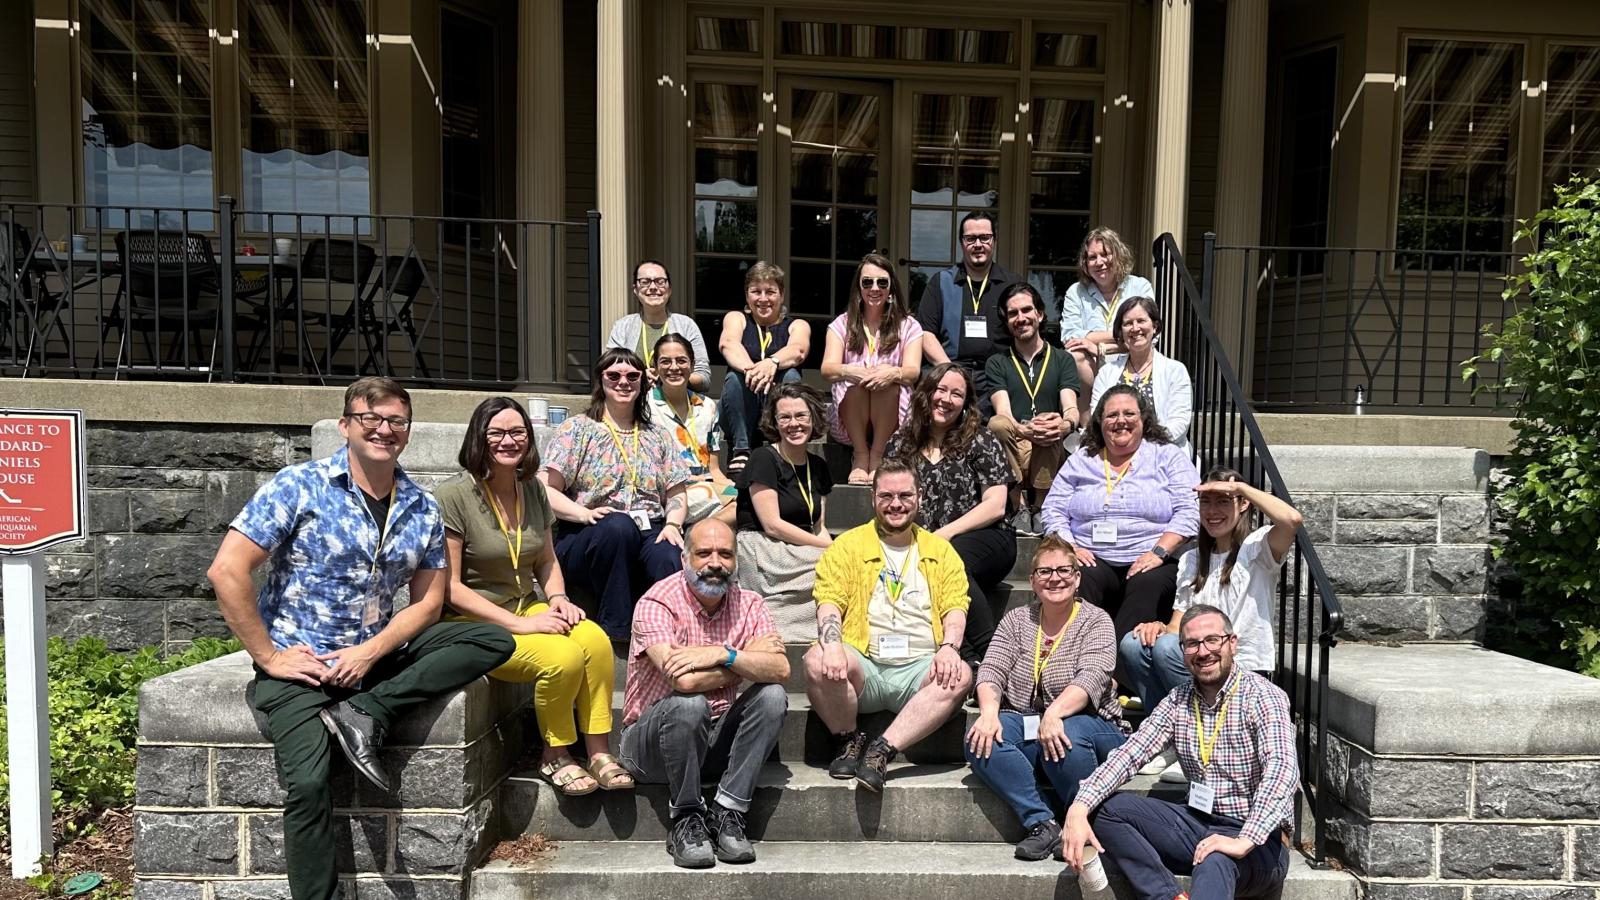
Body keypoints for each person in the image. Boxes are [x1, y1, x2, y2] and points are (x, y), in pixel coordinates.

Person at [206, 377, 515, 900]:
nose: (384, 429)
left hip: (373, 660)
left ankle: (366, 712)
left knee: (491, 641)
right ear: (346, 425)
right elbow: (227, 571)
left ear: (408, 432)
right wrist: (269, 656)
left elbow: (428, 601)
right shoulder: (297, 485)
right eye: (370, 418)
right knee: (307, 784)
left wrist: (371, 652)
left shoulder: (419, 505)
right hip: (302, 668)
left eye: (396, 421)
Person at [434, 397, 631, 797]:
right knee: (562, 657)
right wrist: (522, 624)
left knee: (593, 640)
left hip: (529, 605)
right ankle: (555, 753)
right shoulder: (452, 496)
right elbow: (449, 587)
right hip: (474, 621)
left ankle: (597, 751)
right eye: (498, 433)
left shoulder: (532, 491)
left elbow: (546, 560)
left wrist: (557, 597)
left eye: (518, 432)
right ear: (479, 437)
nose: (509, 440)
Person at [1061, 605, 1298, 900]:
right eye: (1192, 643)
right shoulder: (1178, 700)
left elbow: (1282, 770)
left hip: (1259, 841)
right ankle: (1168, 897)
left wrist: (1244, 839)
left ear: (1232, 643)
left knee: (1217, 860)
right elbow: (1130, 754)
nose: (1203, 652)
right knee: (1106, 810)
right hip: (1197, 823)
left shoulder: (1264, 696)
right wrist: (1078, 806)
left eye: (1213, 640)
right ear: (1182, 650)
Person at [619, 519, 790, 869]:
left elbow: (781, 670)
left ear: (737, 560)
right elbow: (682, 682)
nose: (716, 563)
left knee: (772, 696)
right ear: (684, 558)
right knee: (688, 704)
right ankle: (685, 816)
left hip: (714, 739)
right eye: (704, 553)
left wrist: (721, 654)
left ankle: (728, 810)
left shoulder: (751, 603)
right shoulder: (656, 602)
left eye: (725, 554)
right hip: (651, 746)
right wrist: (745, 657)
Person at [1119, 468, 1302, 783]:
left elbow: (1292, 520)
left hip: (1241, 664)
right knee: (1134, 644)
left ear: (1242, 504)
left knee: (1165, 648)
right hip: (1201, 661)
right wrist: (1156, 627)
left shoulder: (1258, 547)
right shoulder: (1191, 559)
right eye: (1206, 502)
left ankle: (1192, 741)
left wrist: (1242, 487)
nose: (1213, 511)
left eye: (1223, 501)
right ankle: (1175, 738)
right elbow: (1178, 625)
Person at [804, 459, 971, 792]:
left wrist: (950, 647)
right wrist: (833, 645)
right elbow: (829, 600)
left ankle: (881, 749)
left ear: (919, 498)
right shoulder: (847, 546)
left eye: (905, 495)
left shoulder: (941, 550)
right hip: (865, 664)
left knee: (961, 675)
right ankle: (848, 740)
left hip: (919, 668)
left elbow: (955, 605)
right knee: (815, 659)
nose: (896, 504)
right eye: (886, 496)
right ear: (873, 499)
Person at [965, 535, 1127, 861]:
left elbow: (1092, 676)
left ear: (1077, 577)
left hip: (1095, 725)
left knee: (1069, 732)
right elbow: (992, 670)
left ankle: (1080, 817)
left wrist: (1054, 713)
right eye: (1045, 572)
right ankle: (1044, 821)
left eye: (1064, 570)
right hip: (1032, 721)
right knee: (979, 738)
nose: (1055, 578)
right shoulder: (1017, 620)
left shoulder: (1096, 621)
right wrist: (990, 713)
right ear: (1033, 581)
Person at [540, 348, 691, 641]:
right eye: (614, 375)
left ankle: (670, 635)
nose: (624, 382)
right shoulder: (578, 429)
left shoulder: (657, 435)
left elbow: (677, 491)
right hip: (589, 531)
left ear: (642, 382)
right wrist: (583, 513)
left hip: (648, 527)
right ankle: (617, 631)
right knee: (618, 527)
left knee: (668, 552)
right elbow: (545, 489)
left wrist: (673, 524)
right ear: (601, 380)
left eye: (632, 376)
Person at [1039, 385, 1199, 646]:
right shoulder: (1082, 459)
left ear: (1143, 419)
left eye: (1129, 414)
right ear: (1100, 421)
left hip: (1150, 555)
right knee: (1077, 576)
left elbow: (1190, 510)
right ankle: (1070, 659)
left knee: (1147, 583)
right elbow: (1053, 508)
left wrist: (1158, 552)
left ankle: (1113, 673)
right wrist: (1071, 547)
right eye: (1112, 415)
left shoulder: (1167, 456)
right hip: (1091, 554)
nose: (1120, 421)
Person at [883, 362, 1010, 668]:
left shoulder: (980, 439)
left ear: (966, 404)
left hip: (986, 537)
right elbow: (887, 497)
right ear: (926, 393)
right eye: (941, 390)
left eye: (957, 394)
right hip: (924, 547)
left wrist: (946, 534)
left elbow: (996, 504)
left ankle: (992, 656)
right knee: (935, 563)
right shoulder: (901, 444)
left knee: (948, 558)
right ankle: (968, 660)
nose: (946, 399)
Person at [734, 383, 834, 642]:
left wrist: (834, 551)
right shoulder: (763, 457)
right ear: (775, 423)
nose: (794, 424)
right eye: (785, 417)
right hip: (765, 548)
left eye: (801, 415)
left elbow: (819, 525)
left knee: (846, 565)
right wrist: (825, 548)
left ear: (813, 417)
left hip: (802, 546)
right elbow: (773, 525)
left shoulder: (819, 466)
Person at [987, 283, 1083, 535]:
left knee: (1050, 421)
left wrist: (1063, 425)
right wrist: (1026, 431)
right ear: (1007, 321)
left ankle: (1041, 507)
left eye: (1026, 310)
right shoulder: (998, 362)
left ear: (1039, 314)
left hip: (1049, 452)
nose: (1020, 318)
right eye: (1012, 313)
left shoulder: (1063, 359)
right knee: (996, 424)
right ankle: (1018, 506)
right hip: (1014, 450)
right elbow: (1003, 413)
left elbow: (1071, 409)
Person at [822, 252, 925, 484]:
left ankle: (877, 455)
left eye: (882, 282)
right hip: (849, 422)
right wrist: (852, 371)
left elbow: (912, 371)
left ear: (891, 289)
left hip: (895, 418)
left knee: (886, 386)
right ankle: (860, 455)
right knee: (856, 387)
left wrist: (892, 373)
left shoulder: (908, 326)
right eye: (867, 282)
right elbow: (827, 368)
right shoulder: (842, 323)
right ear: (858, 288)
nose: (875, 288)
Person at [916, 211, 1024, 414]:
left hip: (997, 375)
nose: (978, 244)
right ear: (961, 242)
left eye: (985, 238)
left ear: (994, 240)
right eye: (970, 238)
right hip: (949, 368)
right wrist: (950, 370)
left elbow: (1025, 330)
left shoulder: (1013, 285)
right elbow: (925, 333)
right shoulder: (941, 283)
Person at [717, 261, 811, 474]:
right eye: (755, 291)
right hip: (741, 409)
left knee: (792, 376)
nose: (763, 298)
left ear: (782, 295)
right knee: (734, 378)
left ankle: (784, 445)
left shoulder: (796, 325)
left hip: (776, 406)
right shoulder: (737, 318)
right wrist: (752, 371)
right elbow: (728, 344)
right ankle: (741, 448)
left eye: (770, 291)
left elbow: (798, 350)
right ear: (746, 295)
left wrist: (772, 363)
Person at [646, 332, 737, 526]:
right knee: (741, 508)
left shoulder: (708, 407)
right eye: (665, 362)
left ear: (692, 365)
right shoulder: (645, 407)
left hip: (706, 486)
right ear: (655, 367)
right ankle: (699, 532)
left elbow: (713, 468)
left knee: (747, 498)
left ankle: (696, 532)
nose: (674, 368)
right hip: (668, 491)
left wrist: (731, 487)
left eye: (681, 361)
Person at [1062, 228, 1154, 417]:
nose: (1099, 262)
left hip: (1130, 359)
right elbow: (1070, 336)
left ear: (1118, 255)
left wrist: (1100, 346)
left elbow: (1150, 333)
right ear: (1085, 263)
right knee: (1074, 355)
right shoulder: (1076, 292)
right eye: (1092, 257)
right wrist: (1125, 333)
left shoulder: (1139, 286)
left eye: (1105, 254)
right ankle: (1088, 428)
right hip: (1091, 365)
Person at [1092, 296, 1193, 455]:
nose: (1135, 328)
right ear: (1120, 331)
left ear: (1155, 326)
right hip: (1116, 454)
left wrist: (1144, 450)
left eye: (1141, 321)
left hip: (1163, 453)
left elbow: (1179, 423)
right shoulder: (1106, 373)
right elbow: (1097, 417)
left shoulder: (1175, 370)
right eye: (1127, 323)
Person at [607, 260, 711, 390]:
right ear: (635, 288)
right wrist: (638, 377)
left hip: (676, 405)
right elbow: (609, 371)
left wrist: (671, 377)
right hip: (632, 405)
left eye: (660, 281)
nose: (653, 287)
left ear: (670, 288)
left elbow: (704, 377)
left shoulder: (686, 325)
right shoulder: (622, 326)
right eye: (645, 282)